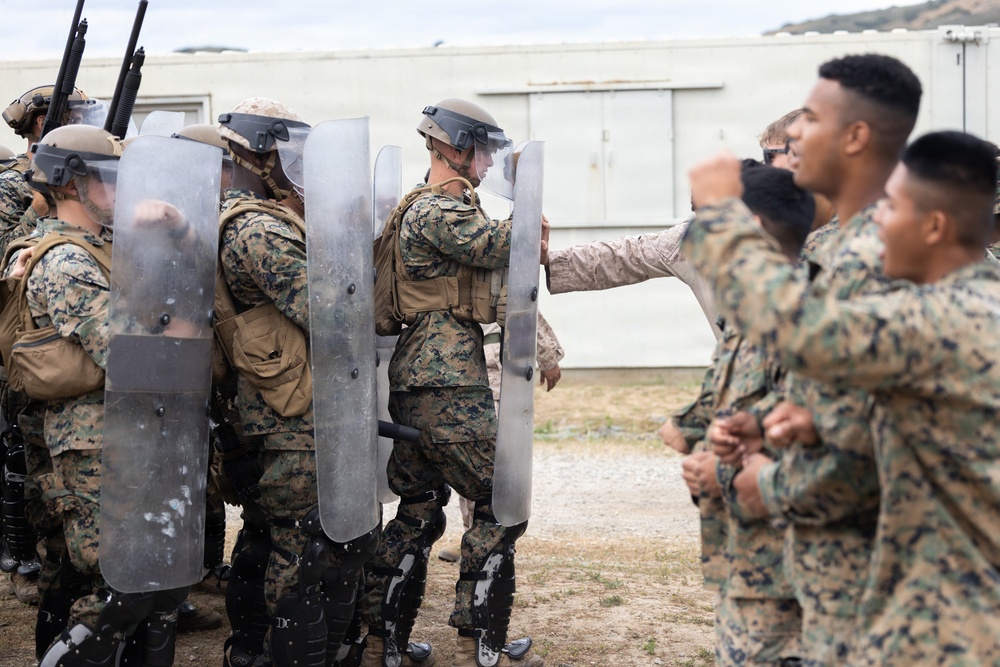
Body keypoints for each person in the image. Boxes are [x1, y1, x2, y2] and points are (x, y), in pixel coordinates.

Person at [685, 129, 1000, 666]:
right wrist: (804, 423)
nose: (874, 222)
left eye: (891, 208)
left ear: (935, 226)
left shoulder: (946, 318)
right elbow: (883, 427)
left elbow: (796, 329)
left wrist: (720, 217)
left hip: (943, 625)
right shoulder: (962, 303)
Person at [705, 53, 922, 666]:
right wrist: (773, 417)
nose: (794, 134)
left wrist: (760, 484)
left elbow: (877, 437)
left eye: (813, 121)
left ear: (855, 138)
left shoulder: (883, 259)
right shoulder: (844, 249)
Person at [360, 98, 542, 667]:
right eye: (484, 152)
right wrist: (530, 221)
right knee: (499, 500)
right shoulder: (438, 210)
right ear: (456, 147)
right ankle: (477, 642)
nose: (488, 165)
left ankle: (380, 642)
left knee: (419, 507)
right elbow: (498, 245)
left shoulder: (430, 207)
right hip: (447, 381)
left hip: (423, 378)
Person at [215, 97, 378, 667]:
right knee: (303, 547)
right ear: (262, 156)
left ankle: (252, 650)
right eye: (291, 155)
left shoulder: (252, 218)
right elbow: (330, 310)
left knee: (268, 537)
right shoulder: (258, 229)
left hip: (272, 409)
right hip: (289, 416)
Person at [673, 164, 814, 665]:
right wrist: (704, 454)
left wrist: (723, 474)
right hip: (750, 567)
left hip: (795, 575)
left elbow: (831, 447)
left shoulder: (809, 318)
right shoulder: (752, 315)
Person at [438, 313, 565, 563]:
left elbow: (524, 308)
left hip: (497, 384)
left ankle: (490, 538)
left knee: (494, 465)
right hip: (460, 382)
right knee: (471, 464)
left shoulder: (497, 277)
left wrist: (548, 358)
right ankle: (473, 537)